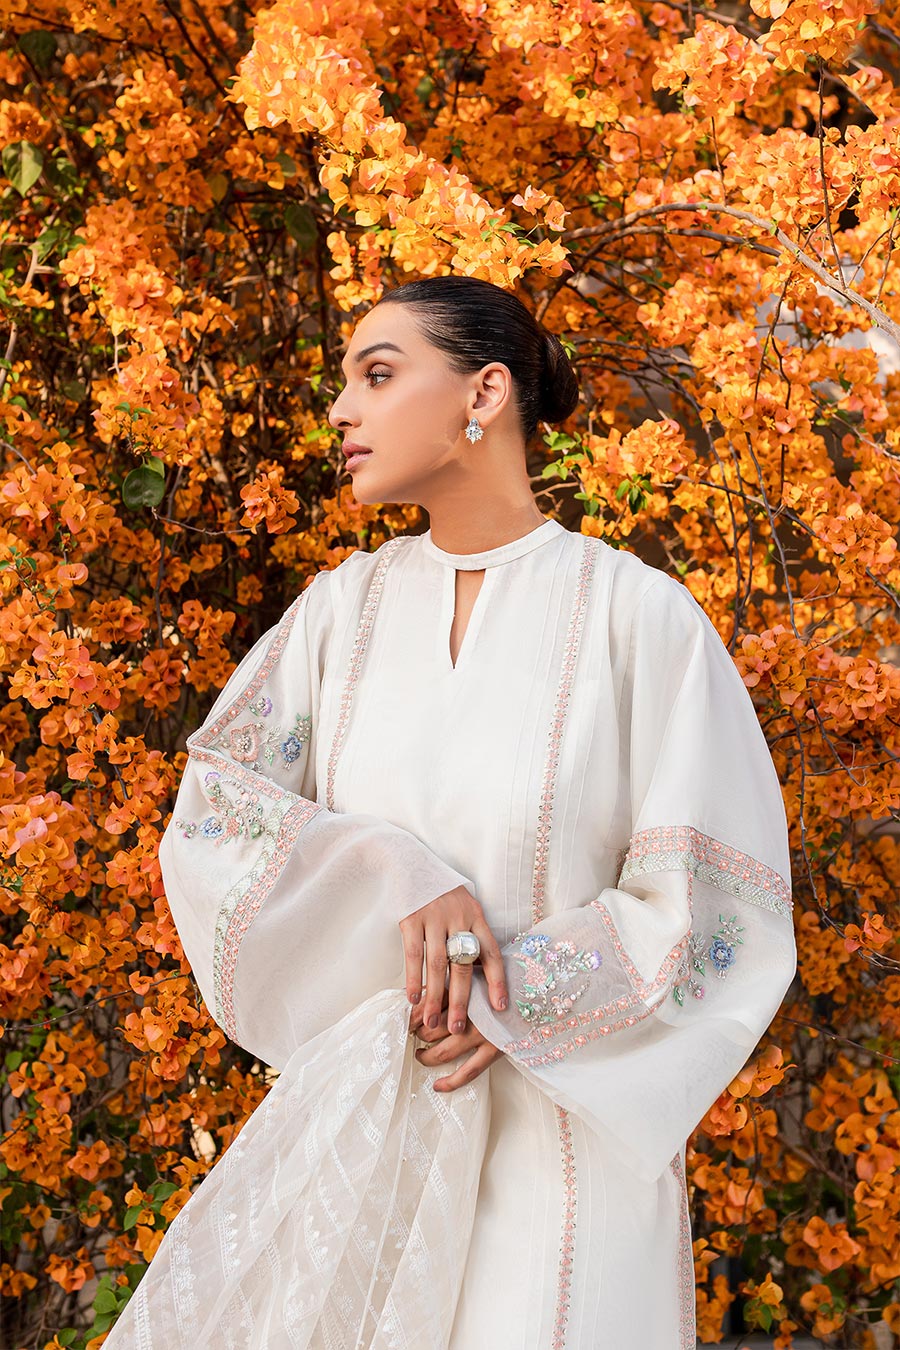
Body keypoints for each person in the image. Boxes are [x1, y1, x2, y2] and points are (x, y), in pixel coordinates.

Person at [104, 275, 796, 1348]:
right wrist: (394, 870)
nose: (342, 409)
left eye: (378, 375)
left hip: (564, 1153)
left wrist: (508, 992)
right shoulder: (341, 614)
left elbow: (716, 905)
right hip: (366, 1146)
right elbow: (213, 821)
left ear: (485, 393)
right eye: (346, 381)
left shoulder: (636, 618)